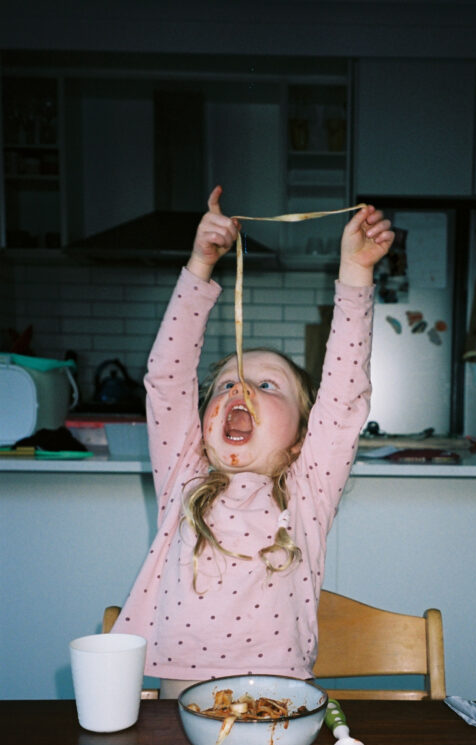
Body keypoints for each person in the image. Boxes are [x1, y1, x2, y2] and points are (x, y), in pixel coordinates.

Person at [113, 187, 394, 697]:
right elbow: (166, 378)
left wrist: (356, 273)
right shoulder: (185, 473)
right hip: (182, 693)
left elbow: (345, 393)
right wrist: (200, 265)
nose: (240, 387)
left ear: (300, 439)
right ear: (202, 421)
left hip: (281, 693)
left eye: (267, 386)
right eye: (225, 385)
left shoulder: (308, 486)